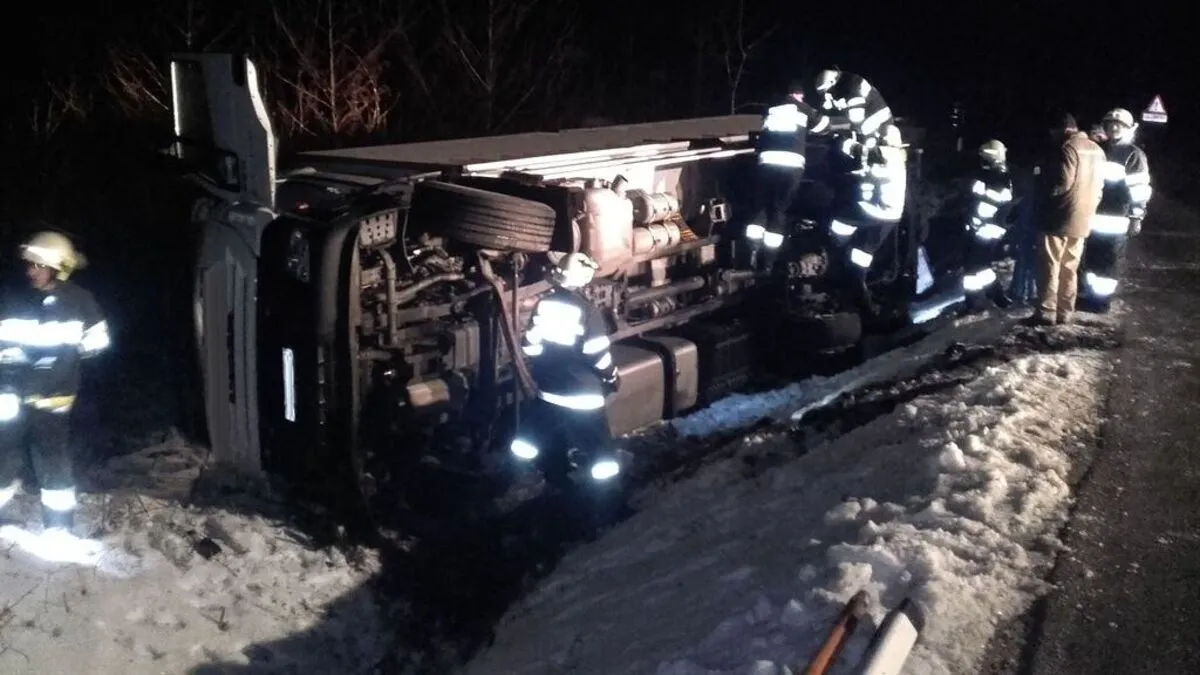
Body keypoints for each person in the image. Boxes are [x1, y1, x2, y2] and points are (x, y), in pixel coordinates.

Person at [0, 231, 109, 533]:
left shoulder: (81, 302)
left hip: (54, 398)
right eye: (29, 265)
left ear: (58, 267)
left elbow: (98, 342)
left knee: (53, 461)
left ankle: (59, 527)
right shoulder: (13, 299)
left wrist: (64, 361)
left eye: (38, 265)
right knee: (4, 455)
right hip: (9, 395)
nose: (30, 271)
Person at [509, 253, 622, 484]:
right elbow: (597, 354)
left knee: (539, 440)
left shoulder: (544, 305)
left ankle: (552, 477)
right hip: (584, 397)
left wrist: (547, 366)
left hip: (549, 392)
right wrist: (612, 377)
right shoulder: (588, 311)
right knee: (601, 456)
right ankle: (606, 498)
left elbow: (529, 347)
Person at [746, 79, 838, 261]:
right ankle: (768, 260)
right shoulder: (802, 108)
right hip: (791, 167)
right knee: (779, 209)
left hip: (766, 165)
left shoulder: (770, 108)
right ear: (797, 95)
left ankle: (752, 250)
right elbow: (825, 127)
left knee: (761, 206)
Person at [1031, 113, 1106, 326]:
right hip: (1083, 219)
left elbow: (1061, 184)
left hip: (1058, 218)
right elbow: (1100, 187)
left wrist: (1042, 190)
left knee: (1050, 266)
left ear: (1064, 130)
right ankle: (1065, 312)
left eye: (1053, 132)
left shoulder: (1067, 149)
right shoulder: (1097, 150)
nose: (1051, 136)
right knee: (1070, 267)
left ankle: (1046, 312)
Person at [962, 140, 1014, 302]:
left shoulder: (996, 176)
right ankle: (995, 294)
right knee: (981, 264)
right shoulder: (1000, 174)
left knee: (973, 266)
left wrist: (976, 222)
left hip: (985, 227)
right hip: (991, 227)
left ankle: (974, 302)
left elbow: (987, 203)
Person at [1098, 107, 1152, 236]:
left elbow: (1139, 190)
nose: (1114, 128)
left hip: (1118, 219)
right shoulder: (1098, 149)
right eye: (1111, 124)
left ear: (1128, 128)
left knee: (1113, 256)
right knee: (1092, 255)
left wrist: (1136, 218)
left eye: (1119, 125)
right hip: (1094, 217)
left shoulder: (1134, 154)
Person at [813, 68, 894, 141]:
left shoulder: (852, 88)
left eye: (828, 91)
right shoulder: (845, 85)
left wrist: (833, 125)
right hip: (873, 115)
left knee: (863, 130)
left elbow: (856, 120)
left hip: (880, 117)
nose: (828, 96)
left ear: (833, 83)